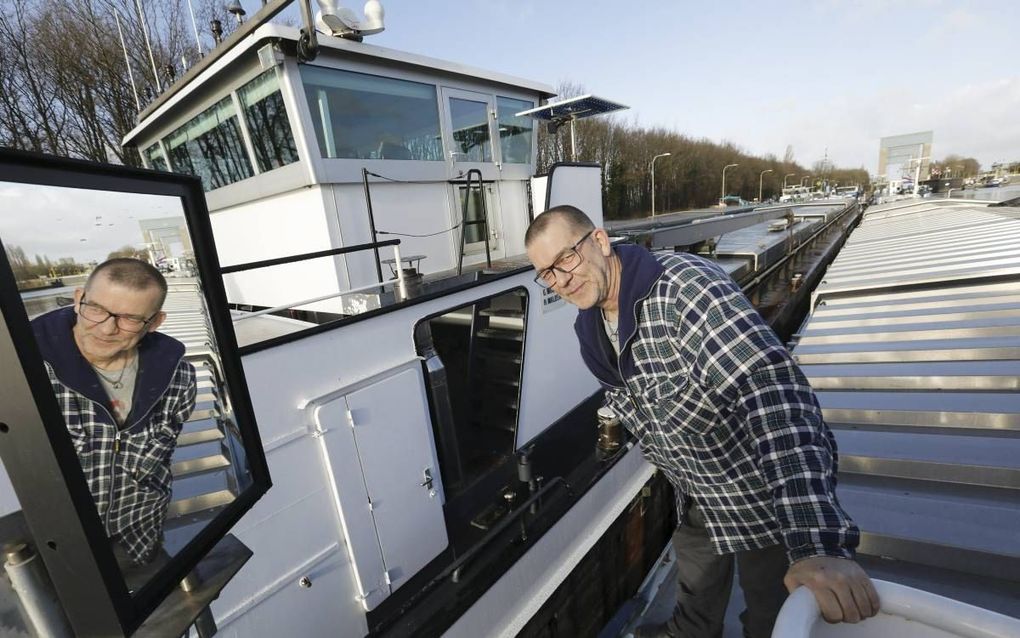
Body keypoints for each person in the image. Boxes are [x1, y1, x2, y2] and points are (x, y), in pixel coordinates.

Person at [524, 206, 878, 638]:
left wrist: (815, 542)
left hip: (761, 495)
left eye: (567, 258)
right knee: (695, 584)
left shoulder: (685, 290)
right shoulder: (591, 330)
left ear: (599, 241)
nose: (560, 280)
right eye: (546, 273)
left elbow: (773, 396)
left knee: (770, 612)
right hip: (698, 490)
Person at [31, 258, 196, 566]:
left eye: (130, 319)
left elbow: (161, 455)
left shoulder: (179, 378)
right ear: (78, 298)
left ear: (156, 322)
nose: (107, 329)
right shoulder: (23, 372)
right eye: (96, 309)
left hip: (141, 535)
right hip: (54, 549)